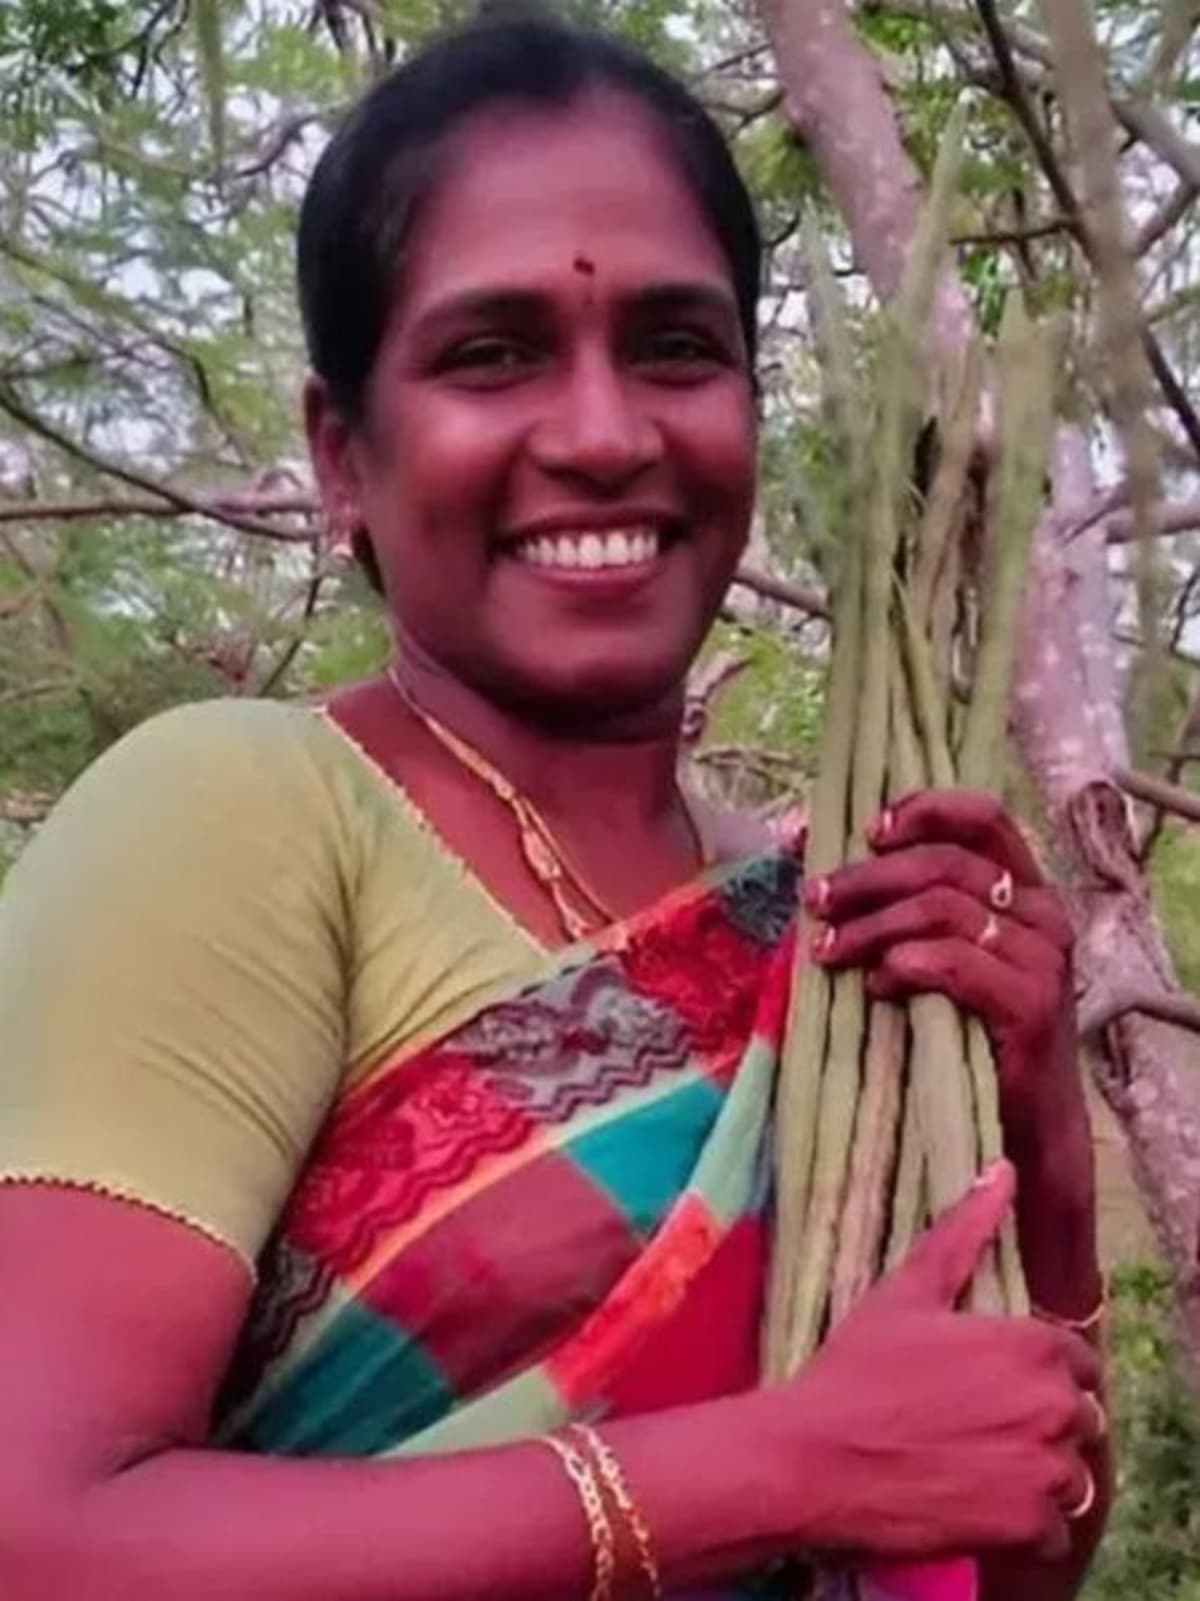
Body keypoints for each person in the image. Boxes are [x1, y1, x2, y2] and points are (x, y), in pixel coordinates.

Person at [0, 12, 1109, 1600]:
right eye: (491, 352)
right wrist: (779, 1464)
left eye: (675, 346)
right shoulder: (241, 812)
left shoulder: (833, 914)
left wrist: (1043, 1153)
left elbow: (1000, 1553)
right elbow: (34, 1543)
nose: (603, 433)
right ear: (341, 455)